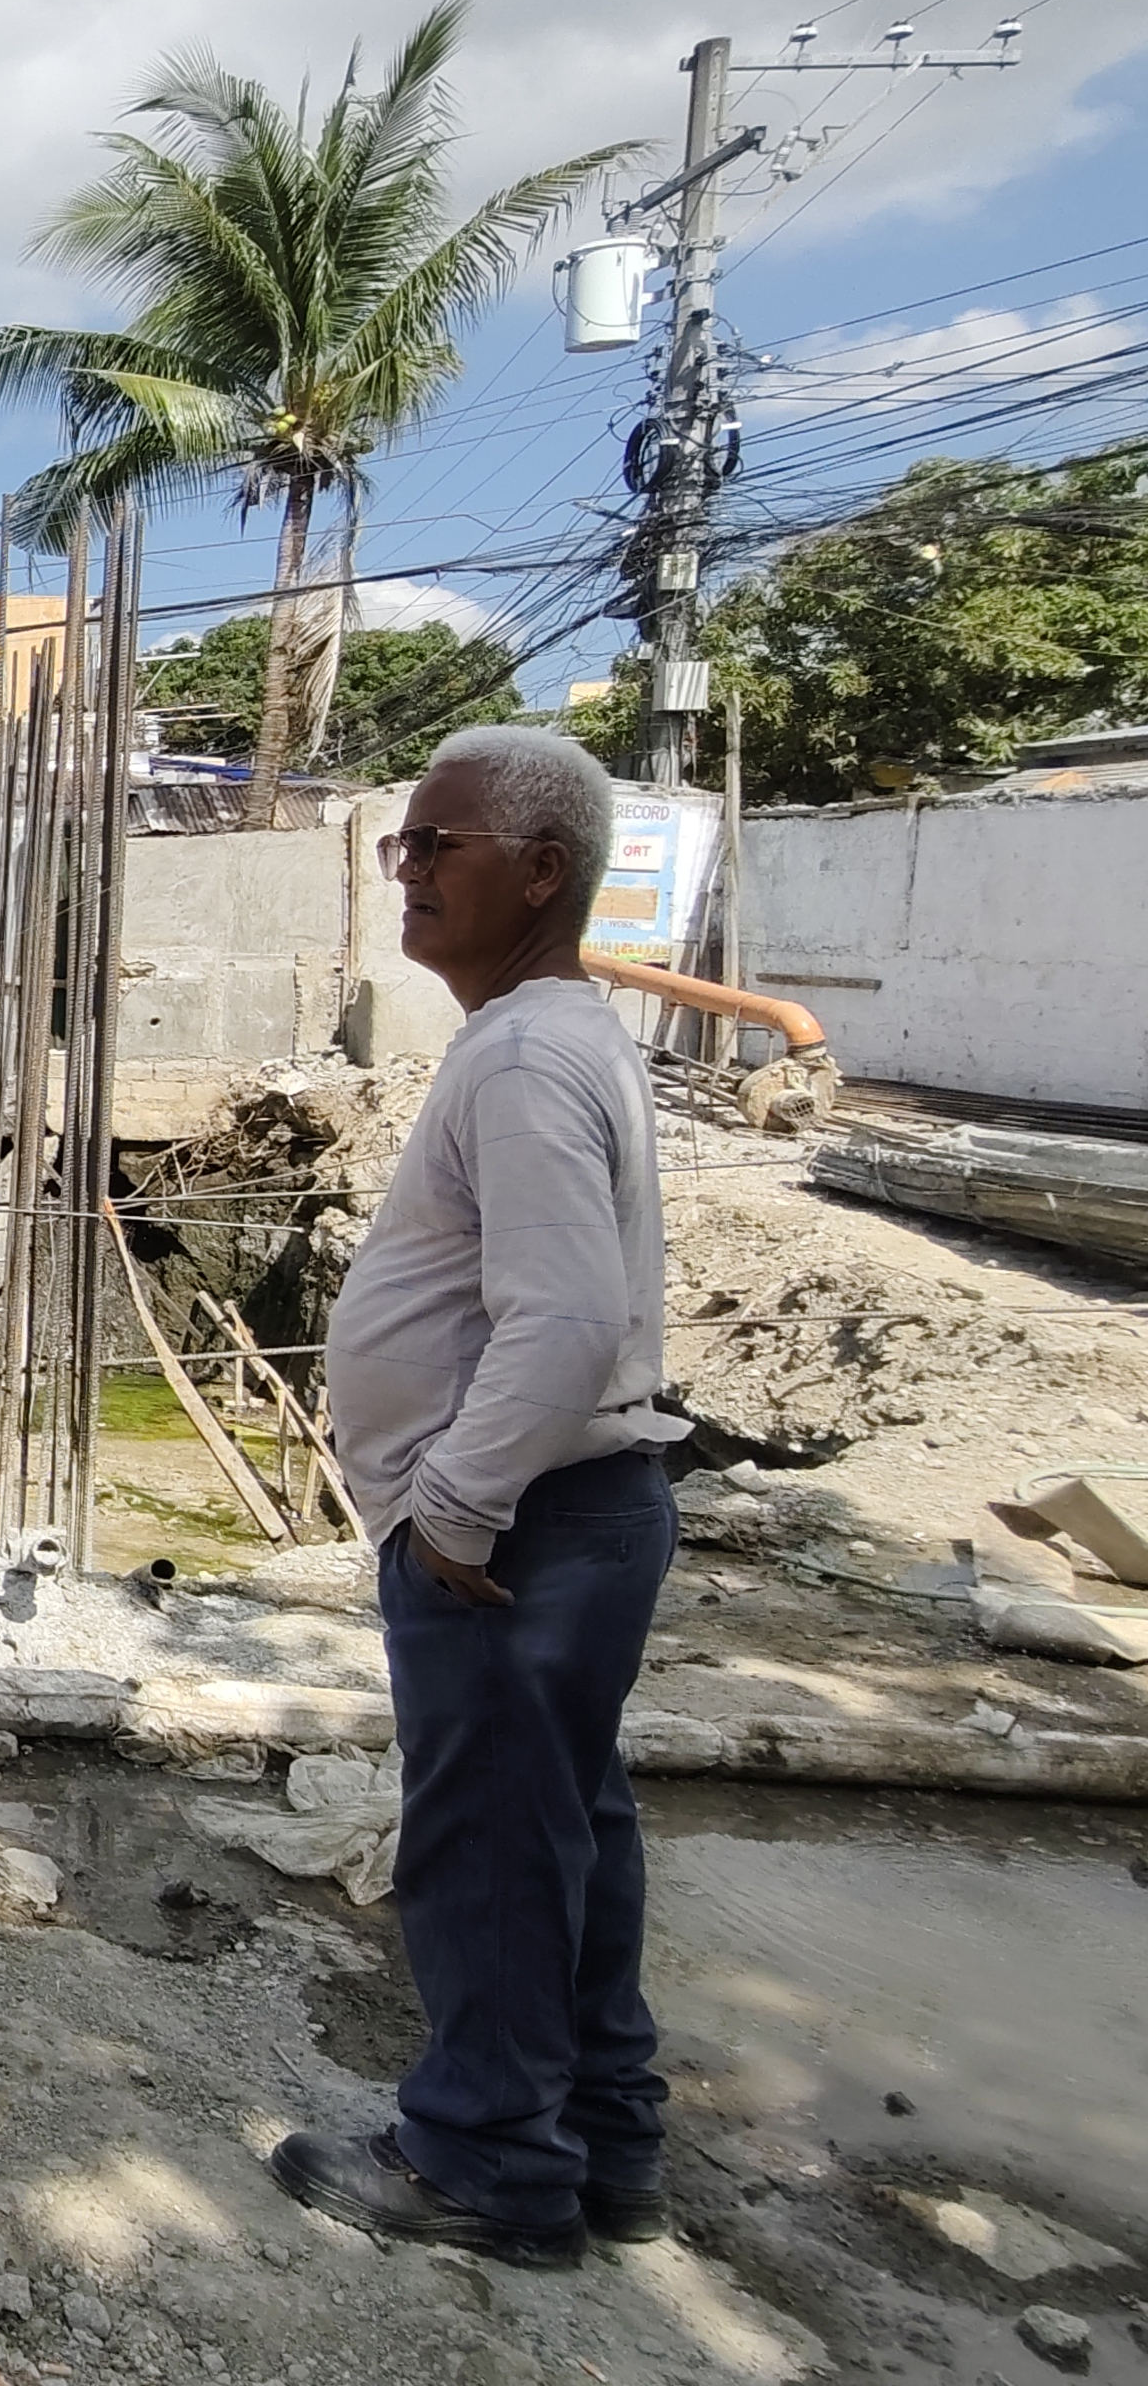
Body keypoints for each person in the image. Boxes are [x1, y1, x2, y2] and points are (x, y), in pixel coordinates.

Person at [272, 724, 687, 2274]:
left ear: (542, 872)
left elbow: (568, 1318)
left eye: (441, 845)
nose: (411, 868)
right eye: (406, 844)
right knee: (564, 1824)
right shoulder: (550, 1037)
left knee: (492, 1844)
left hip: (522, 1528)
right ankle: (606, 2139)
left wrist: (450, 1503)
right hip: (574, 1516)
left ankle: (489, 2162)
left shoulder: (520, 1053)